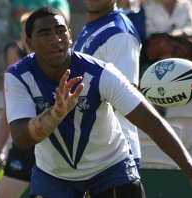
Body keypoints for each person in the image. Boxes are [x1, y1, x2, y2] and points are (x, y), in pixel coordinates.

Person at [4, 7, 192, 198]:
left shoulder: (100, 73)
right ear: (29, 43)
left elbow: (151, 122)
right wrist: (54, 115)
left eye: (60, 31)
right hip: (53, 176)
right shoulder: (17, 76)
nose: (55, 39)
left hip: (109, 169)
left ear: (70, 36)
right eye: (44, 33)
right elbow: (22, 138)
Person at [73, 0, 142, 167]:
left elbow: (126, 97)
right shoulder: (93, 26)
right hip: (92, 152)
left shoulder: (120, 34)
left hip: (114, 156)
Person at [0, 40, 34, 198]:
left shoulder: (45, 71)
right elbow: (6, 115)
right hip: (21, 148)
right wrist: (0, 149)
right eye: (8, 60)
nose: (12, 64)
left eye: (15, 59)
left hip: (49, 150)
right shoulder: (10, 79)